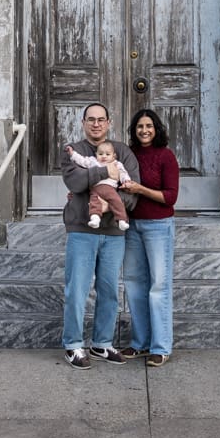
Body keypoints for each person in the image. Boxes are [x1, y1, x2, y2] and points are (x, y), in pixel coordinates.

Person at [60, 102, 139, 370]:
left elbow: (131, 190)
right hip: (82, 230)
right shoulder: (74, 151)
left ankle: (101, 343)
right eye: (90, 119)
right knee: (77, 290)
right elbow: (75, 183)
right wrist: (107, 171)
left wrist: (108, 205)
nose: (96, 124)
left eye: (101, 119)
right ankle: (73, 344)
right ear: (83, 123)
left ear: (108, 122)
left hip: (114, 233)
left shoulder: (123, 152)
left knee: (109, 291)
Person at [117, 108, 180, 368]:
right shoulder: (128, 156)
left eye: (149, 126)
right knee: (133, 283)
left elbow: (170, 197)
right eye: (140, 126)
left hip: (158, 226)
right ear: (134, 130)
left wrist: (140, 188)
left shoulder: (166, 156)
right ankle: (140, 343)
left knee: (158, 287)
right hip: (132, 226)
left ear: (157, 129)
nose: (144, 130)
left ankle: (161, 346)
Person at [65, 140, 132, 231]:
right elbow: (82, 160)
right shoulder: (93, 161)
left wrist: (126, 180)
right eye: (100, 154)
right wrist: (73, 154)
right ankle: (95, 219)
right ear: (96, 154)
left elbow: (123, 173)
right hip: (96, 189)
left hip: (110, 189)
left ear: (114, 155)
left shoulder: (117, 164)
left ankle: (121, 220)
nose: (104, 156)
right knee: (94, 202)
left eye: (107, 154)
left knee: (117, 201)